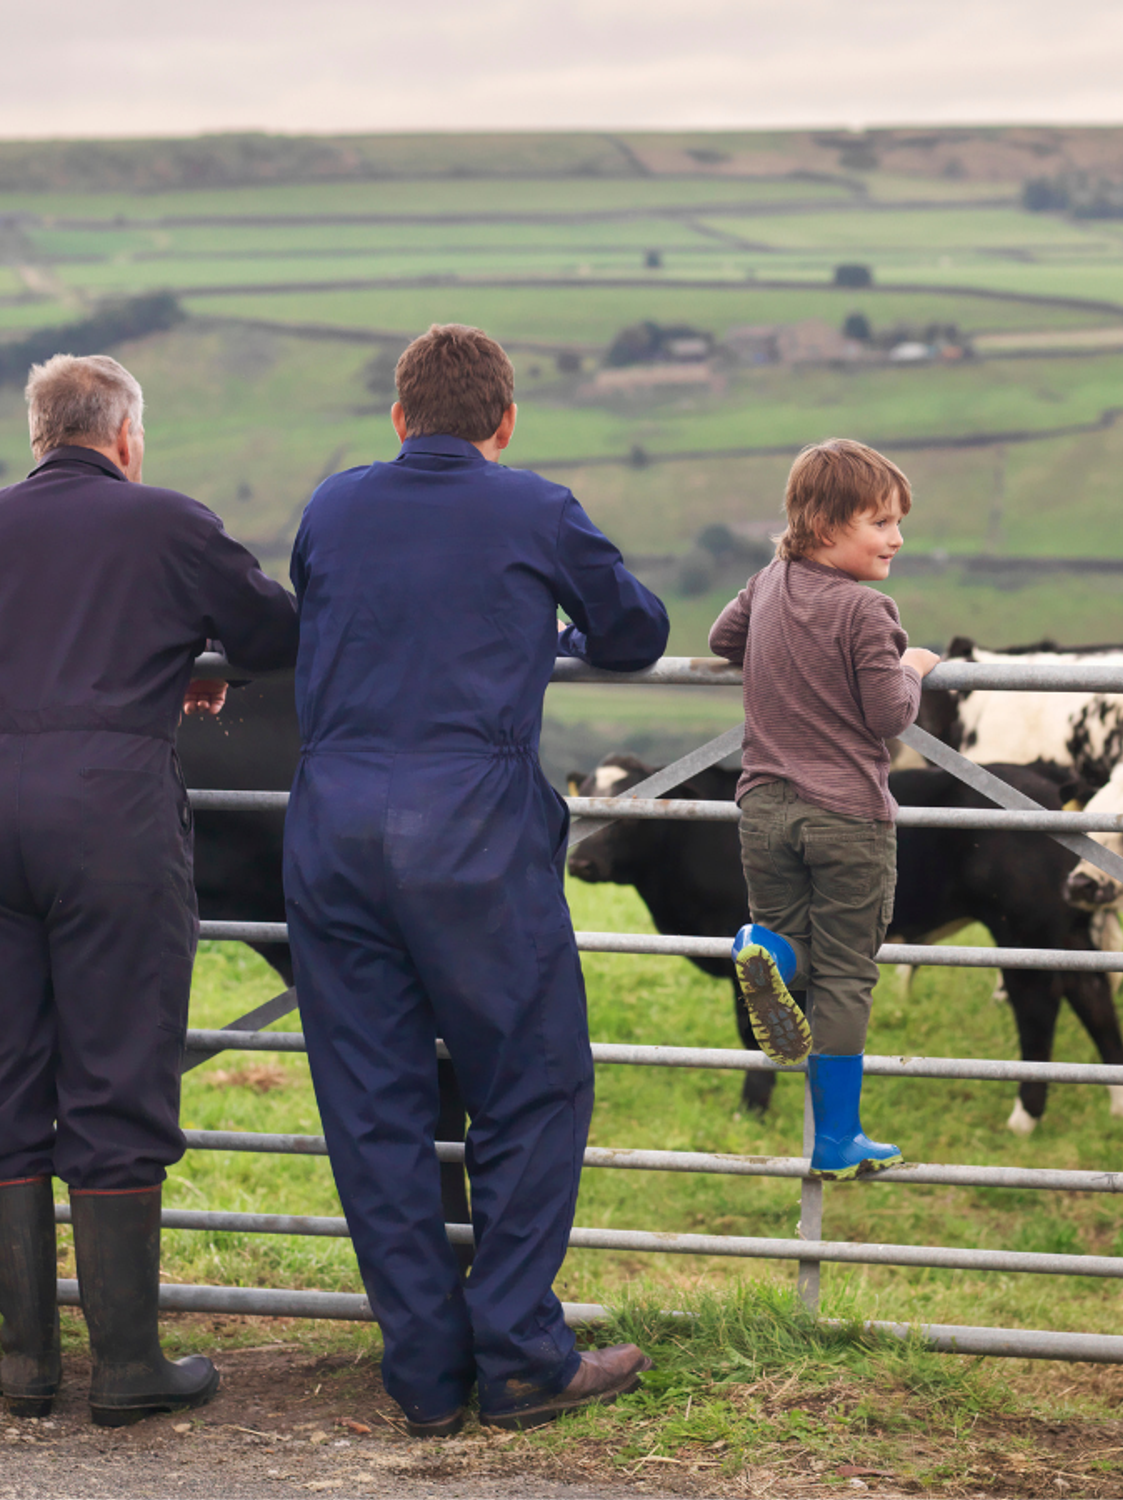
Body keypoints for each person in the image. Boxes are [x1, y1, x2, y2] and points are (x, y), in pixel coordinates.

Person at [285, 324, 669, 1435]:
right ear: (503, 424)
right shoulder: (533, 507)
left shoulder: (331, 507)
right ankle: (519, 1353)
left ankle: (421, 1376)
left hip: (333, 828)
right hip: (473, 833)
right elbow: (634, 631)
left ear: (398, 420)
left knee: (372, 1104)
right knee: (533, 1084)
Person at [0, 354, 300, 1425]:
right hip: (109, 811)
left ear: (39, 434)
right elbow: (276, 634)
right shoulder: (169, 524)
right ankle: (127, 1365)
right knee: (116, 1063)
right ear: (124, 437)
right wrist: (189, 658)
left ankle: (26, 1362)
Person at [709, 439, 940, 1179]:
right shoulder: (868, 610)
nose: (896, 538)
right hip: (846, 817)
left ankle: (766, 950)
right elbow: (887, 716)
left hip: (765, 809)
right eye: (880, 522)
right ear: (824, 523)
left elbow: (722, 639)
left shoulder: (768, 581)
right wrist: (913, 666)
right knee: (845, 973)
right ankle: (836, 1141)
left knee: (798, 952)